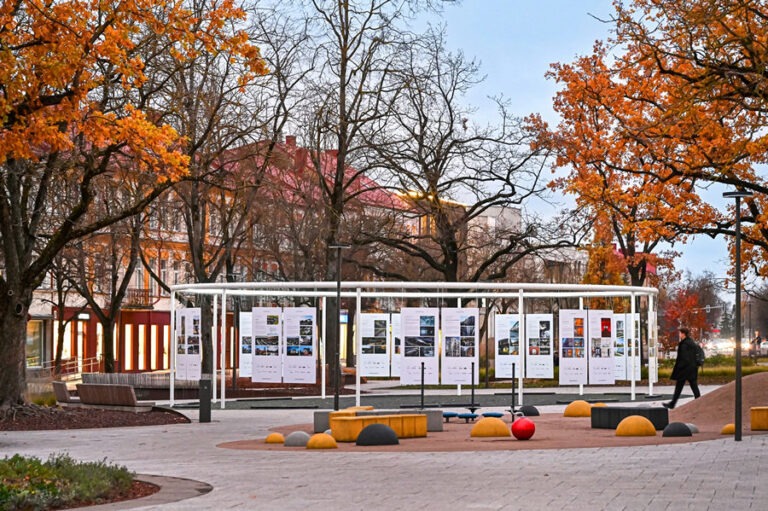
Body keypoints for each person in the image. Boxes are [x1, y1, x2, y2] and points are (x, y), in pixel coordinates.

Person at [663, 327, 701, 410]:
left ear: (683, 334)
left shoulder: (684, 344)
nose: (679, 334)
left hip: (684, 370)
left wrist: (679, 367)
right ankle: (698, 402)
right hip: (692, 368)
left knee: (679, 387)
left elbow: (684, 358)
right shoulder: (691, 342)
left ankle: (672, 404)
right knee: (693, 386)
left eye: (680, 333)